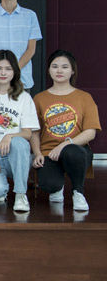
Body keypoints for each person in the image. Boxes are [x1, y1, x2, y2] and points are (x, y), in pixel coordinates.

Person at [32, 50, 101, 211]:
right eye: (55, 66)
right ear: (49, 70)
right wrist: (37, 153)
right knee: (49, 186)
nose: (59, 70)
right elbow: (35, 131)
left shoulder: (85, 97)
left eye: (64, 67)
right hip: (49, 152)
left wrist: (64, 144)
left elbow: (90, 132)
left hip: (76, 150)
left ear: (72, 71)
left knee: (71, 151)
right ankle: (58, 186)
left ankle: (78, 192)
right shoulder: (39, 98)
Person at [0, 50, 39, 212]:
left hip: (16, 153)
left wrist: (9, 136)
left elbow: (28, 133)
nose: (3, 73)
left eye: (8, 69)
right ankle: (0, 187)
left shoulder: (23, 97)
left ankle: (20, 194)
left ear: (15, 71)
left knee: (20, 143)